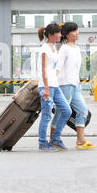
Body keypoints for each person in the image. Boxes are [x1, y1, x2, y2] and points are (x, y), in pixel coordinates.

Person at [50, 22, 96, 150]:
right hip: (64, 84)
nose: (77, 33)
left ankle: (80, 141)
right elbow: (58, 67)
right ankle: (54, 140)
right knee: (60, 113)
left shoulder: (77, 48)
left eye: (77, 30)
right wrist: (52, 82)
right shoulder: (64, 49)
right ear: (67, 34)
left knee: (82, 111)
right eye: (74, 31)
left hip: (75, 85)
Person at [37, 23, 72, 152]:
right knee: (46, 116)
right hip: (47, 87)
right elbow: (43, 70)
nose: (60, 35)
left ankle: (55, 139)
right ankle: (42, 143)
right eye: (58, 33)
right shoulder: (44, 49)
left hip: (55, 86)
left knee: (67, 111)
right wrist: (46, 89)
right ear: (51, 35)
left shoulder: (54, 48)